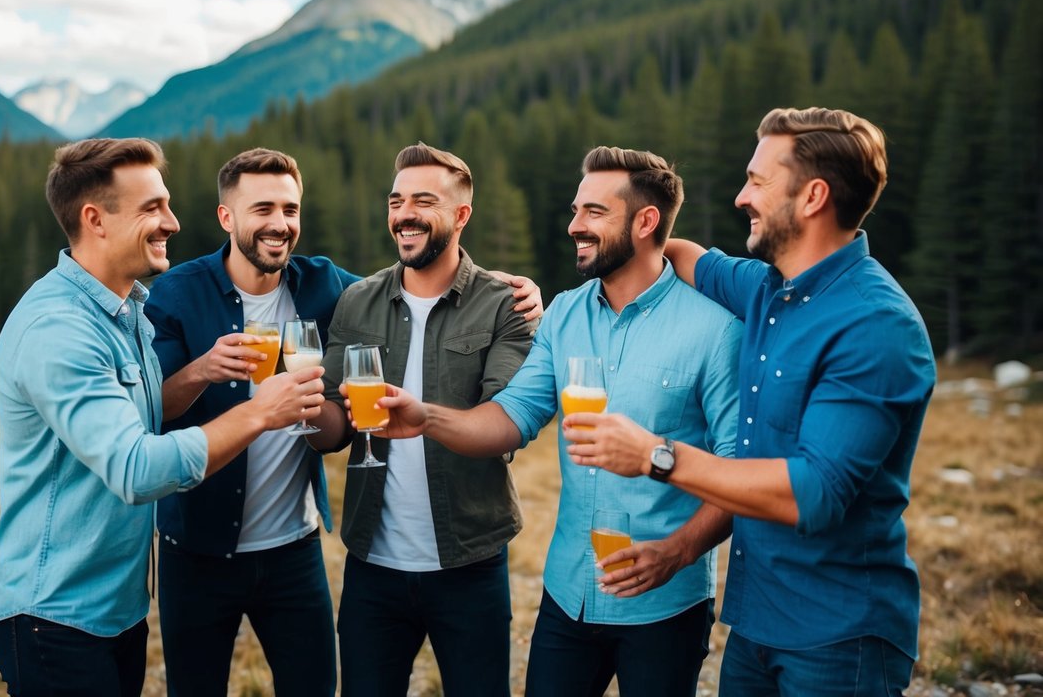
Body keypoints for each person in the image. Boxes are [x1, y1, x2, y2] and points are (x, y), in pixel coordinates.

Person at [143, 146, 543, 697]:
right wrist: (203, 372)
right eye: (262, 210)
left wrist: (501, 286)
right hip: (202, 547)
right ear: (226, 217)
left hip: (307, 550)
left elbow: (419, 279)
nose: (279, 225)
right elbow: (151, 413)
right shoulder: (179, 293)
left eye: (290, 209)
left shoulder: (327, 287)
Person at [572, 108, 936, 696]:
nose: (742, 196)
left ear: (813, 195)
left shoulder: (876, 325)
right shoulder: (765, 287)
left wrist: (656, 456)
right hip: (755, 622)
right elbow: (684, 256)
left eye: (758, 181)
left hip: (839, 636)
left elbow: (814, 494)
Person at [373, 146, 742, 697]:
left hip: (666, 604)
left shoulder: (715, 329)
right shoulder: (563, 315)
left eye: (594, 212)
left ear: (645, 222)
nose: (575, 226)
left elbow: (738, 469)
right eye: (575, 211)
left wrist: (680, 552)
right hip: (569, 595)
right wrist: (425, 417)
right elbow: (512, 416)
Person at [0, 138, 326, 697]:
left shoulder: (129, 313)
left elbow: (141, 417)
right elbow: (137, 469)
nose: (172, 221)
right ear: (94, 219)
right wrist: (261, 412)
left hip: (115, 612)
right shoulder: (59, 329)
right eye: (152, 208)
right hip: (53, 617)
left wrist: (197, 375)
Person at [314, 143, 536, 696]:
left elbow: (503, 422)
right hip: (371, 566)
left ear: (461, 215)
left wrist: (424, 417)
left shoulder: (504, 304)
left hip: (471, 561)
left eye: (423, 201)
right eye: (395, 201)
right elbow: (336, 430)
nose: (404, 214)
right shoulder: (356, 302)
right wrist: (293, 408)